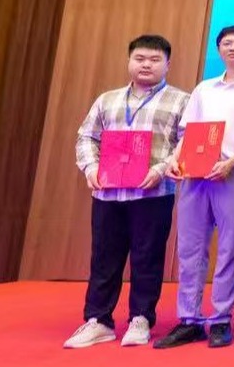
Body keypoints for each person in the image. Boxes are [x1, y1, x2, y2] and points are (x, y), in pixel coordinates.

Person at [154, 24, 234, 350]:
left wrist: (231, 162)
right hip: (195, 174)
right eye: (227, 43)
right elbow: (188, 132)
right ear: (219, 49)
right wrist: (174, 160)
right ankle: (189, 319)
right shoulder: (204, 88)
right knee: (190, 248)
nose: (233, 47)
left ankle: (221, 318)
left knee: (229, 247)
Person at [64, 35, 190, 350]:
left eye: (155, 60)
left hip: (153, 193)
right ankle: (98, 320)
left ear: (168, 64)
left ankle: (141, 318)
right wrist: (91, 168)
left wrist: (160, 169)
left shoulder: (181, 100)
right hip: (108, 194)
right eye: (140, 58)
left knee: (148, 257)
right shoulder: (107, 100)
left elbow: (186, 142)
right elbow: (86, 137)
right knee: (104, 257)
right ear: (129, 61)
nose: (146, 65)